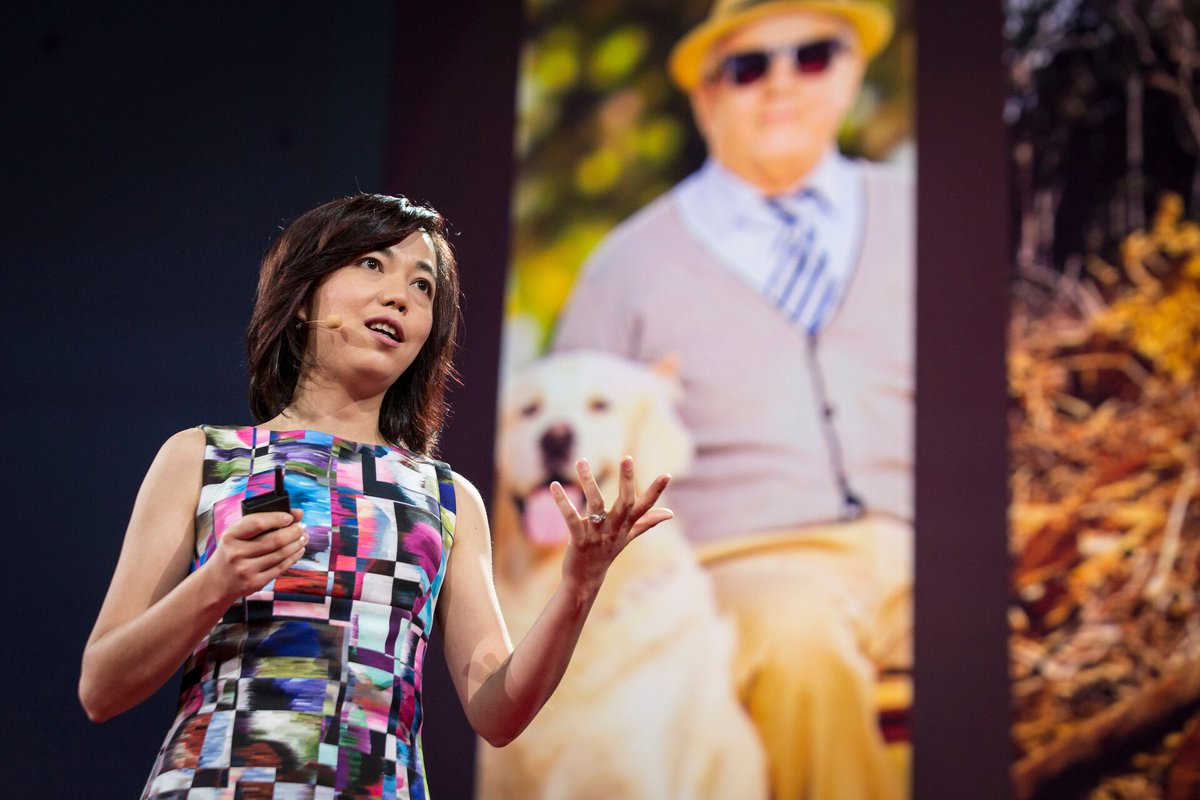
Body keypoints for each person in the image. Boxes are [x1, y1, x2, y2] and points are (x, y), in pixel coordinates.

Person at [79, 194, 674, 800]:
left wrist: (578, 587)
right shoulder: (202, 459)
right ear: (303, 294)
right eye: (371, 264)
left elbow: (498, 714)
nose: (400, 296)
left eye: (422, 286)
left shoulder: (447, 497)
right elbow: (101, 688)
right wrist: (216, 584)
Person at [552, 1, 913, 798]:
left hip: (930, 549)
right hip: (743, 566)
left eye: (812, 56)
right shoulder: (625, 267)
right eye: (749, 68)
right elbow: (566, 464)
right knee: (798, 645)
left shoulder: (923, 215)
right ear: (706, 97)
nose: (782, 84)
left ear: (851, 72)